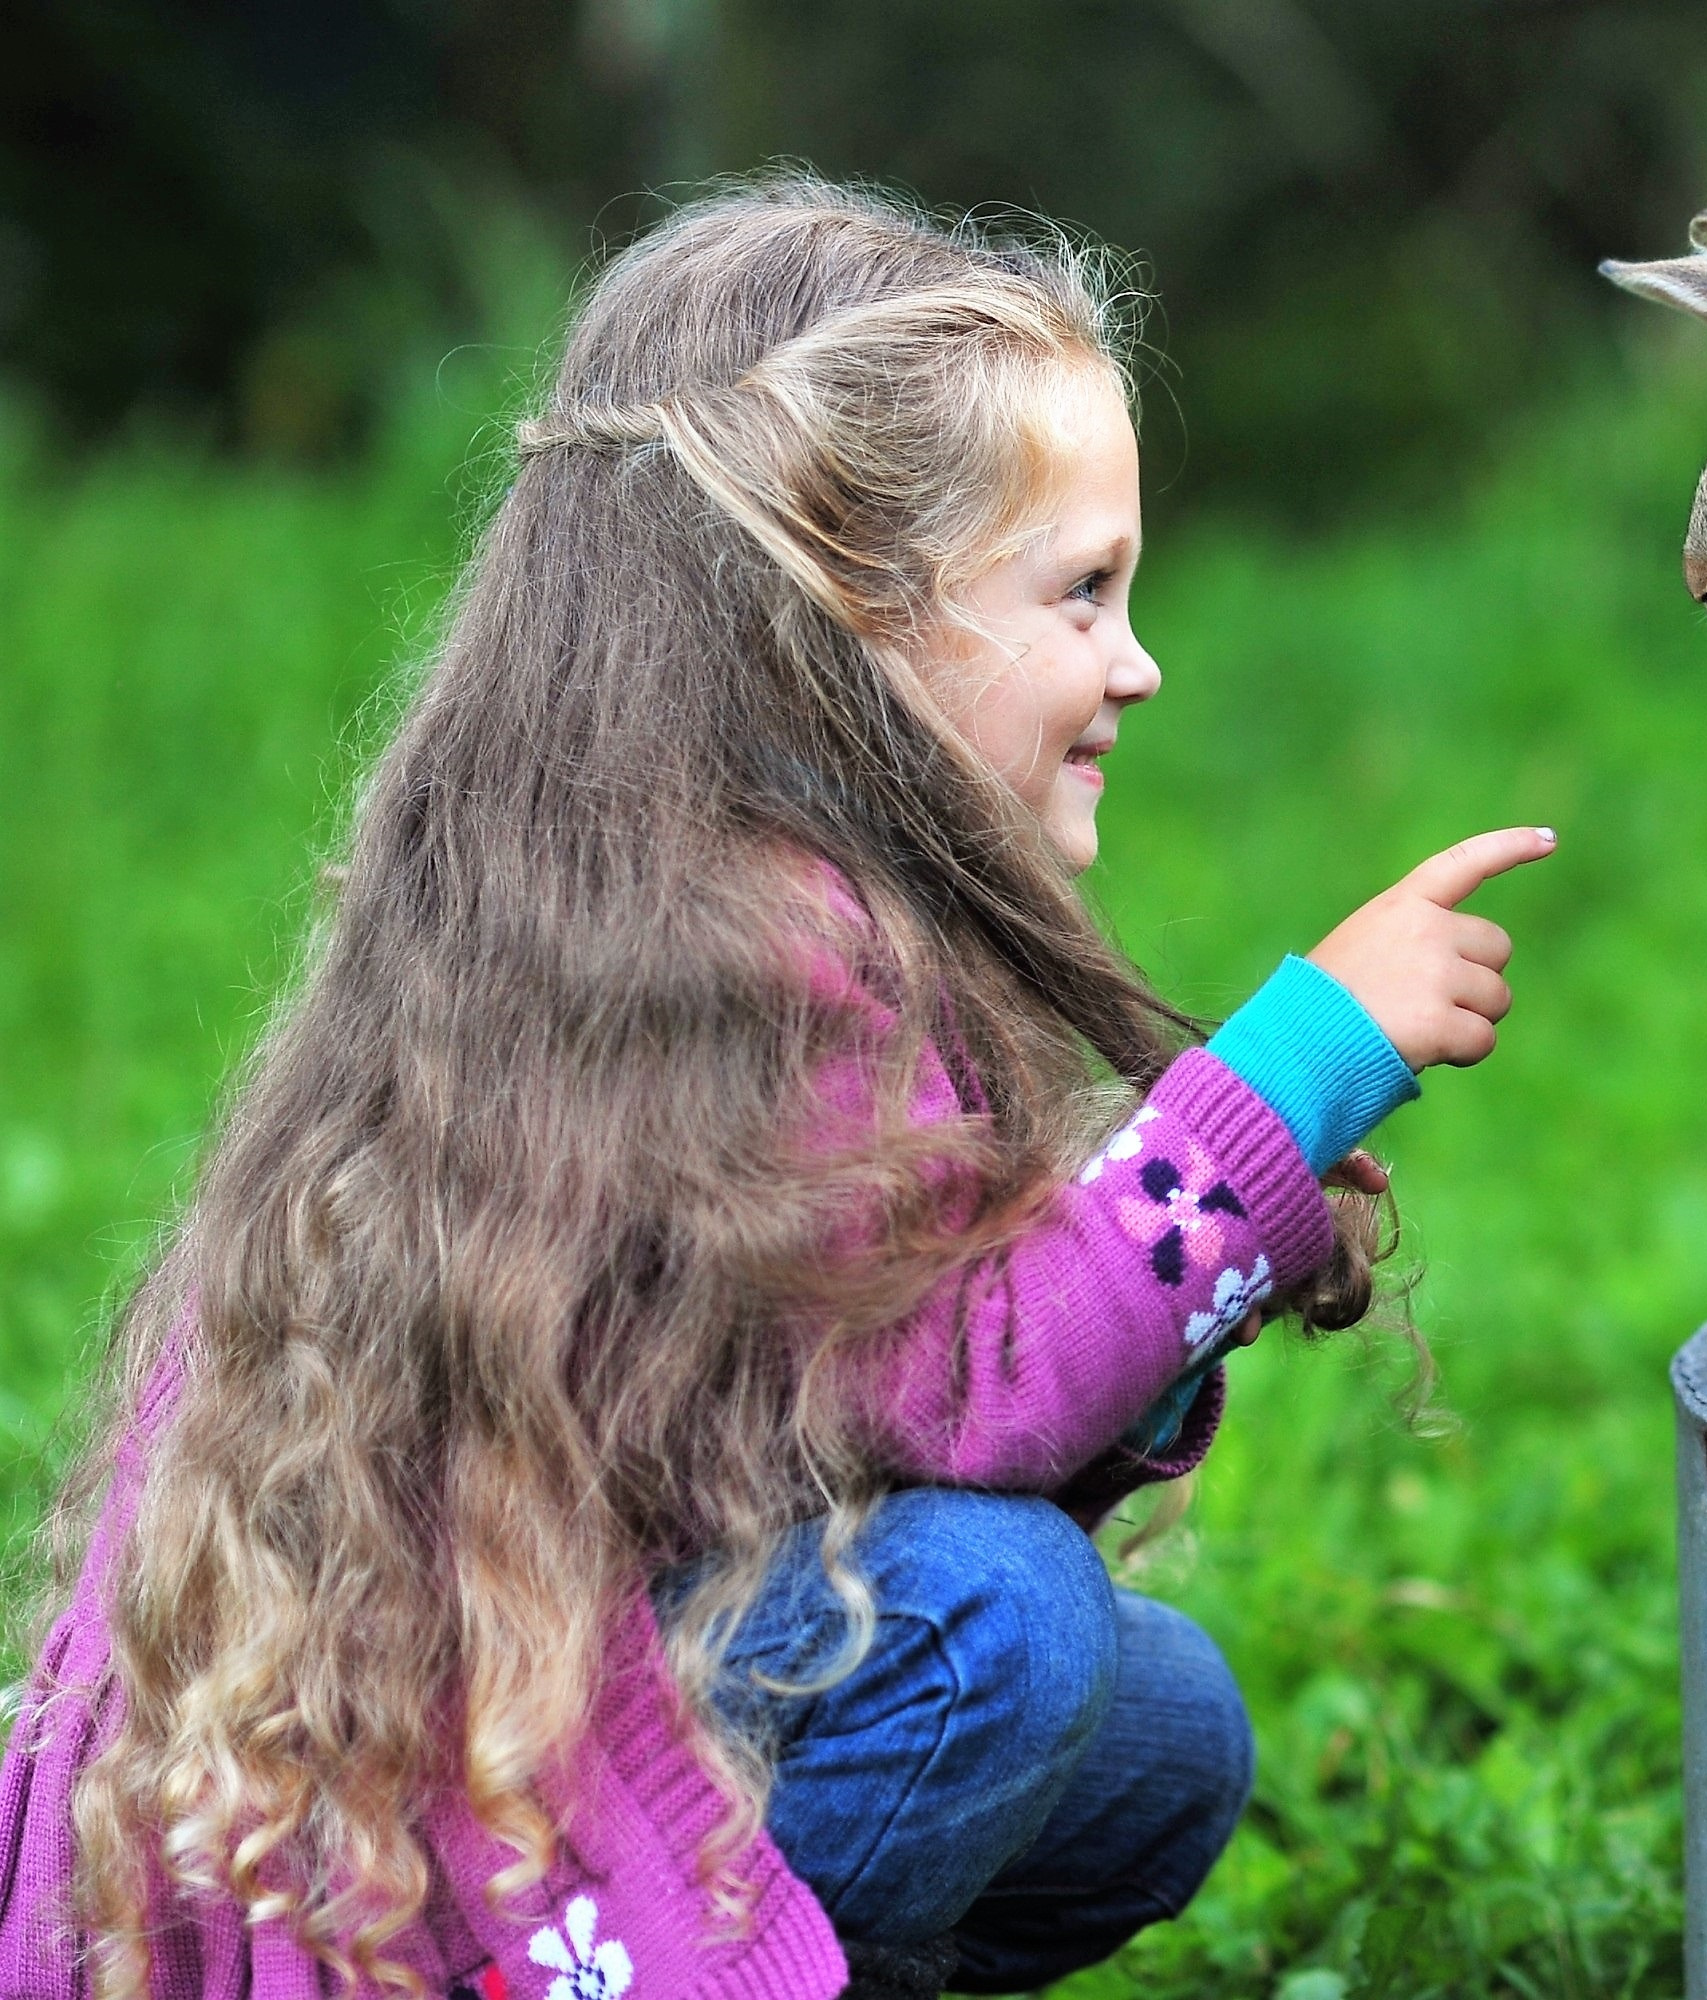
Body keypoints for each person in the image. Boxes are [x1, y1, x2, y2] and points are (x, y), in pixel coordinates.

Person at [0, 175, 1552, 2000]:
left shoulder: (658, 894)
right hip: (431, 1867)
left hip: (538, 1724)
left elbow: (839, 1439)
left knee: (1164, 1738)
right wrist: (1295, 1082)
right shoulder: (728, 942)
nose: (1139, 662)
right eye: (1083, 592)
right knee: (1004, 1634)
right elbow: (972, 1391)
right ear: (850, 606)